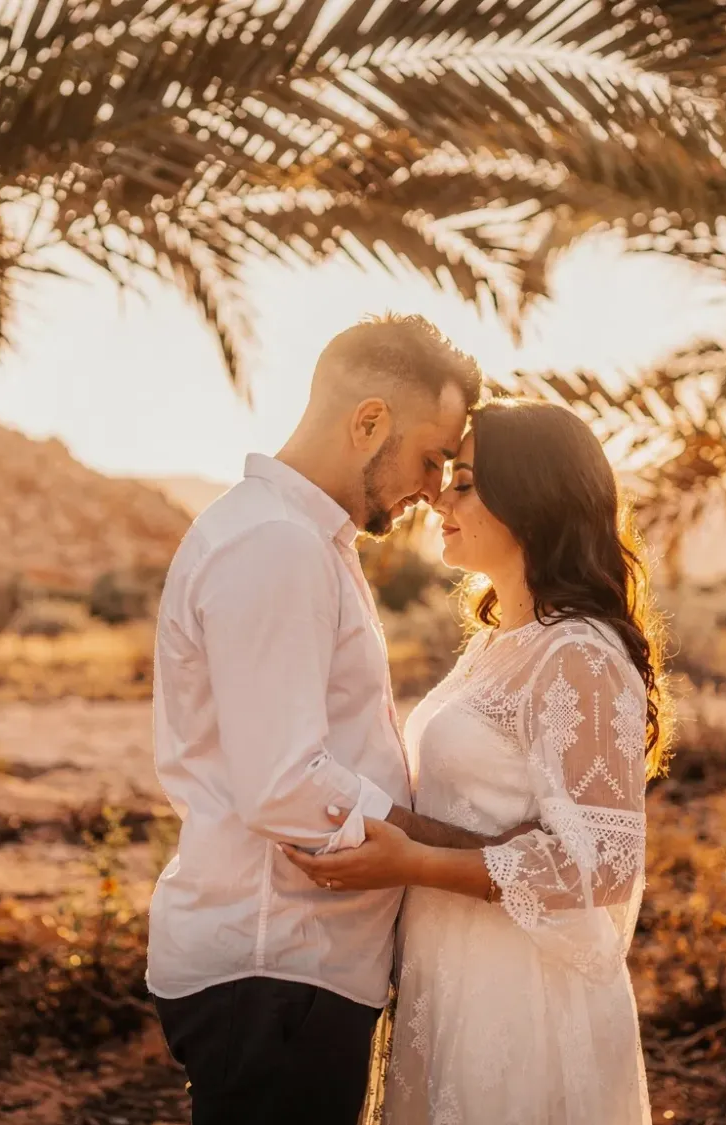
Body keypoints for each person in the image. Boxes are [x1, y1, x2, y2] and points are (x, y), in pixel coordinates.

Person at [148, 314, 515, 1125]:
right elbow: (285, 785)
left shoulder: (301, 540)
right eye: (430, 458)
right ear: (369, 420)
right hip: (275, 972)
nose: (432, 488)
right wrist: (460, 852)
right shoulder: (276, 545)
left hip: (289, 976)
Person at [285, 397, 668, 1125]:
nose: (440, 499)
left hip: (522, 998)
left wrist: (413, 864)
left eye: (464, 481)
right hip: (454, 975)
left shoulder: (578, 655)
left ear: (534, 497)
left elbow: (604, 863)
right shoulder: (502, 643)